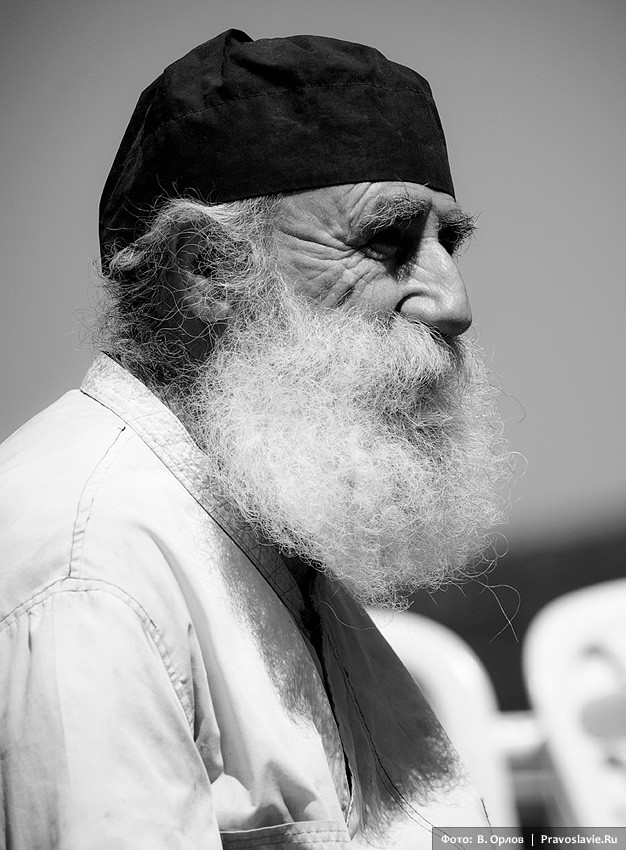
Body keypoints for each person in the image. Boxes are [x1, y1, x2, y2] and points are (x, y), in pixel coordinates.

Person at [0, 29, 511, 849]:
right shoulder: (87, 570)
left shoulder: (259, 533)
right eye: (386, 243)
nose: (453, 302)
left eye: (447, 242)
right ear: (206, 271)